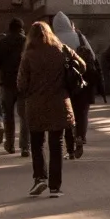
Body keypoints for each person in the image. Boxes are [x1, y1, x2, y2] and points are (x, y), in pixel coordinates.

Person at [16, 20, 78, 196]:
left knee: (37, 143)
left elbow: (21, 84)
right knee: (56, 144)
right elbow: (82, 65)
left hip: (35, 104)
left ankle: (39, 178)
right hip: (59, 103)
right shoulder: (61, 50)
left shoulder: (28, 55)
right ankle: (55, 187)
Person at [53, 11, 93, 158]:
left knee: (67, 115)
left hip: (62, 83)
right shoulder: (79, 36)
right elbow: (92, 56)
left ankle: (70, 149)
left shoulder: (53, 39)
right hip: (81, 81)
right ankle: (80, 137)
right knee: (81, 112)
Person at [0, 19, 27, 155]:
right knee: (24, 116)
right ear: (21, 28)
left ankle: (10, 144)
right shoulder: (26, 42)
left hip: (7, 83)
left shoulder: (2, 42)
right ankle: (25, 146)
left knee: (8, 115)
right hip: (23, 83)